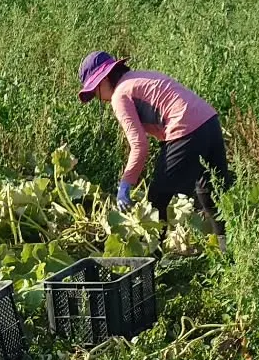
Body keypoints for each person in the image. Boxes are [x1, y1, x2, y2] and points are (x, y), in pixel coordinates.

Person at [77, 52, 232, 235]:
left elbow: (139, 145)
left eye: (94, 91)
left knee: (157, 199)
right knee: (211, 191)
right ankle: (226, 251)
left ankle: (157, 258)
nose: (97, 97)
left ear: (103, 80)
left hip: (185, 129)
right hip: (209, 121)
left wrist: (125, 184)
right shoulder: (139, 77)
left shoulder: (120, 95)